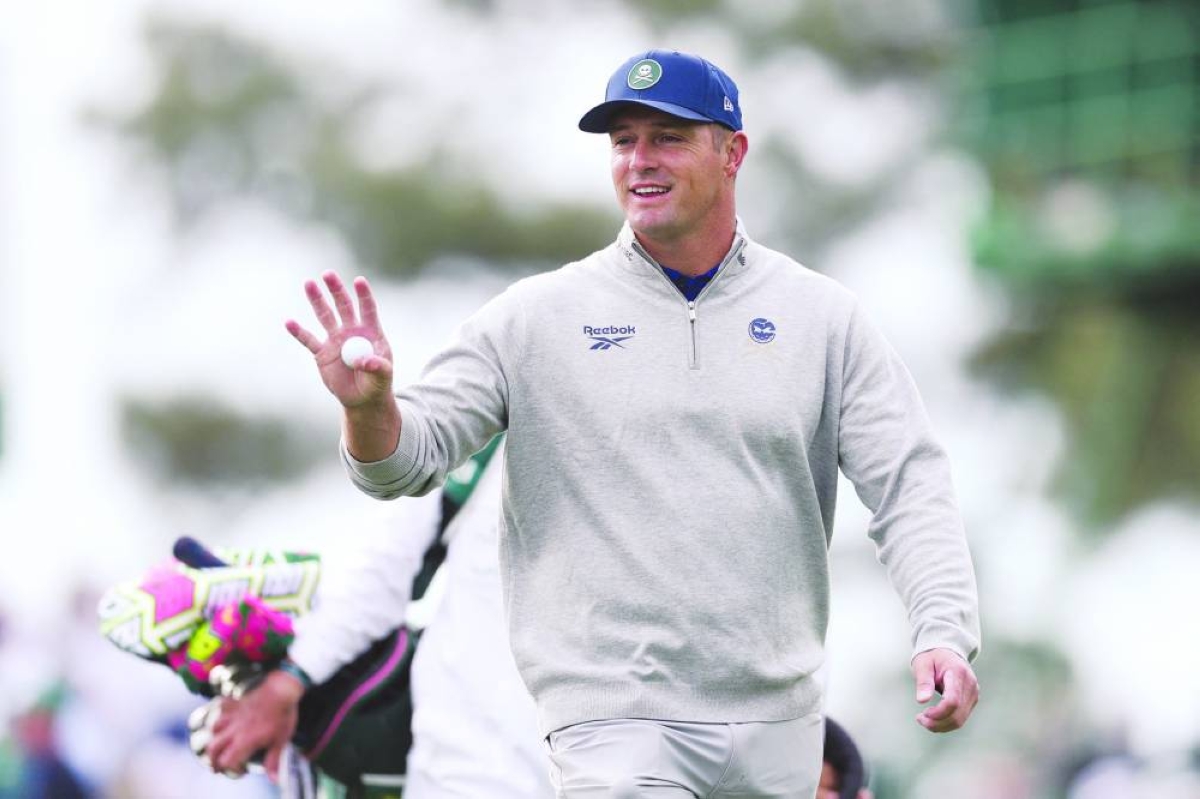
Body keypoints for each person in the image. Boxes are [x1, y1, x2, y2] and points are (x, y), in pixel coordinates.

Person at [217, 48, 982, 795]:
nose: (639, 161)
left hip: (780, 723)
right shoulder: (535, 318)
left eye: (667, 138)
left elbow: (909, 481)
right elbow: (403, 464)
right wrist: (369, 408)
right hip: (616, 720)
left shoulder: (822, 317)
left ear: (733, 153)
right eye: (623, 141)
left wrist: (943, 629)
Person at [202, 438, 553, 797]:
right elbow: (383, 572)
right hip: (466, 772)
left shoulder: (501, 418)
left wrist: (287, 681)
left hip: (484, 772)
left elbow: (381, 573)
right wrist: (289, 680)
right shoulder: (496, 418)